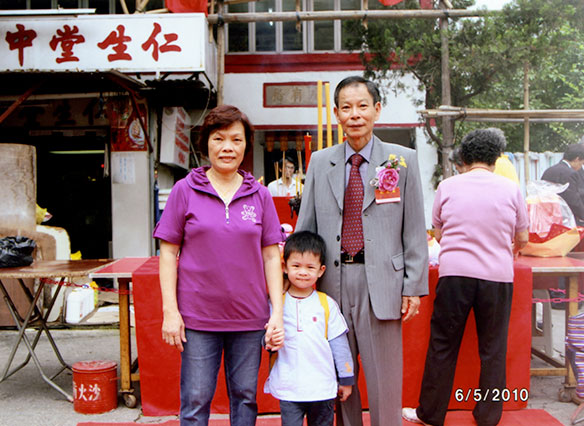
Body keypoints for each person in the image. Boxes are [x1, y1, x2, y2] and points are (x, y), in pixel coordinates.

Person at [296, 75, 429, 426]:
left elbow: (414, 227)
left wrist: (413, 286)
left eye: (362, 106)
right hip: (331, 284)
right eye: (346, 108)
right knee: (340, 378)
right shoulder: (320, 162)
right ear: (337, 114)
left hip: (382, 282)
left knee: (385, 378)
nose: (355, 114)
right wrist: (299, 284)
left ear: (377, 109)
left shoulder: (402, 161)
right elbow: (306, 227)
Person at [153, 104, 286, 425]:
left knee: (245, 398)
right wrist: (170, 311)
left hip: (250, 317)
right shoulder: (185, 190)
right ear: (206, 143)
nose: (228, 147)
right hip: (198, 319)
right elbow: (168, 253)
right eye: (219, 139)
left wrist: (277, 313)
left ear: (245, 145)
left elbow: (271, 255)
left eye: (236, 140)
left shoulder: (260, 195)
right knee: (196, 400)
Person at [402, 128, 529, 426]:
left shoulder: (448, 186)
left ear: (464, 157)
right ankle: (488, 415)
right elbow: (522, 236)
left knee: (443, 345)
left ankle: (430, 414)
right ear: (495, 158)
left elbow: (438, 232)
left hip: (455, 275)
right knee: (493, 348)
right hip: (497, 277)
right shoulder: (510, 189)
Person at [264, 231, 355, 426]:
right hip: (289, 387)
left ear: (321, 270)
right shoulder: (276, 304)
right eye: (296, 266)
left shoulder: (326, 304)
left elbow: (339, 344)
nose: (303, 272)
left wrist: (346, 379)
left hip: (322, 387)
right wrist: (268, 341)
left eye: (310, 267)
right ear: (284, 267)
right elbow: (265, 337)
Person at [541, 143, 584, 225]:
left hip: (547, 216)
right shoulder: (571, 173)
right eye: (582, 163)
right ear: (577, 159)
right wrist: (583, 215)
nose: (580, 166)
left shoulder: (549, 171)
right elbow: (573, 200)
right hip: (566, 219)